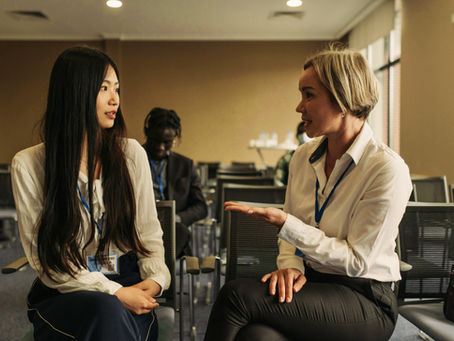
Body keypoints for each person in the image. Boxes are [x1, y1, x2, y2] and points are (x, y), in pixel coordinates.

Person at [204, 46, 412, 341]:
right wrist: (290, 267)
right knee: (256, 336)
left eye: (309, 95)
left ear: (343, 97)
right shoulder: (303, 157)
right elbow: (290, 239)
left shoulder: (386, 169)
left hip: (365, 297)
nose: (299, 107)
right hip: (312, 284)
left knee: (236, 296)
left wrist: (287, 225)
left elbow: (357, 262)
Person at [11, 46, 170, 341]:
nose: (115, 99)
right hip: (66, 291)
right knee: (107, 312)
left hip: (128, 278)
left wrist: (156, 280)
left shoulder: (131, 154)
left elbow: (149, 233)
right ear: (75, 93)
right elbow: (48, 262)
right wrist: (114, 293)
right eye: (104, 88)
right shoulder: (29, 165)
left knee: (113, 317)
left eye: (117, 88)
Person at [143, 107, 208, 258]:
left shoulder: (185, 165)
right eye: (155, 141)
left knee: (179, 231)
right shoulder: (130, 160)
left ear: (174, 139)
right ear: (147, 133)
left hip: (172, 229)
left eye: (167, 142)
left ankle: (159, 272)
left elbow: (200, 207)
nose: (160, 147)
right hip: (140, 226)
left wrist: (176, 218)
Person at [274, 121, 311, 186]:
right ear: (297, 136)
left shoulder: (320, 158)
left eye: (307, 132)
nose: (304, 135)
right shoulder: (287, 159)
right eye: (301, 132)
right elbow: (277, 181)